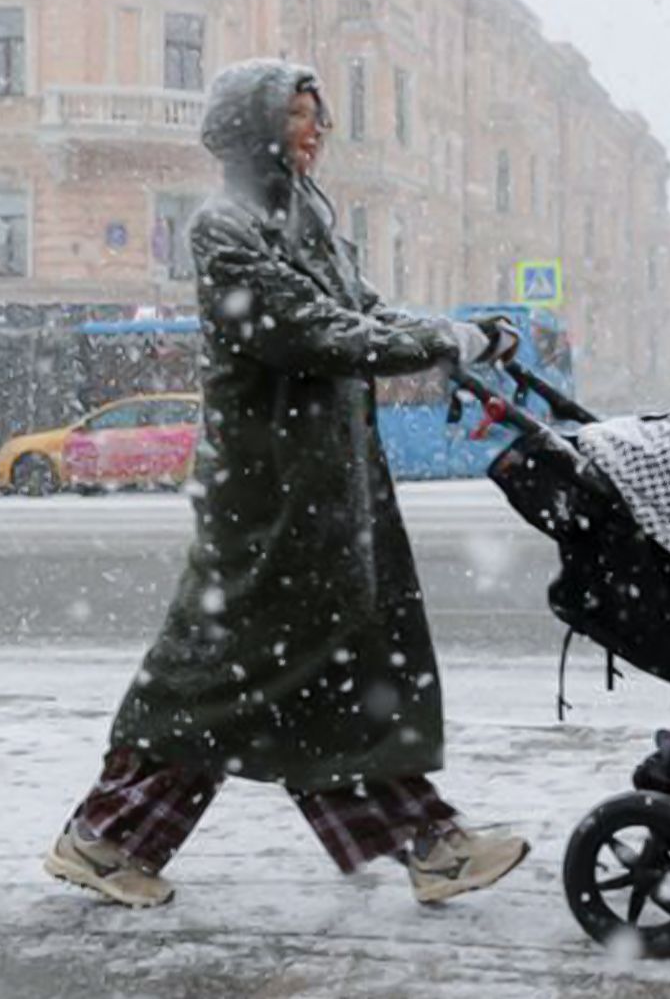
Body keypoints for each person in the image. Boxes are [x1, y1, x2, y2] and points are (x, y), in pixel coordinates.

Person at [45, 59, 526, 909]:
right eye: (301, 116)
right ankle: (427, 842)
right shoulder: (226, 226)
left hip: (324, 485)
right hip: (268, 497)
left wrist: (462, 335)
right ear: (253, 127)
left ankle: (112, 839)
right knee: (264, 668)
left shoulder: (308, 214)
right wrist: (445, 342)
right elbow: (312, 334)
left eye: (319, 116)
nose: (317, 131)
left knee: (285, 673)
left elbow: (367, 314)